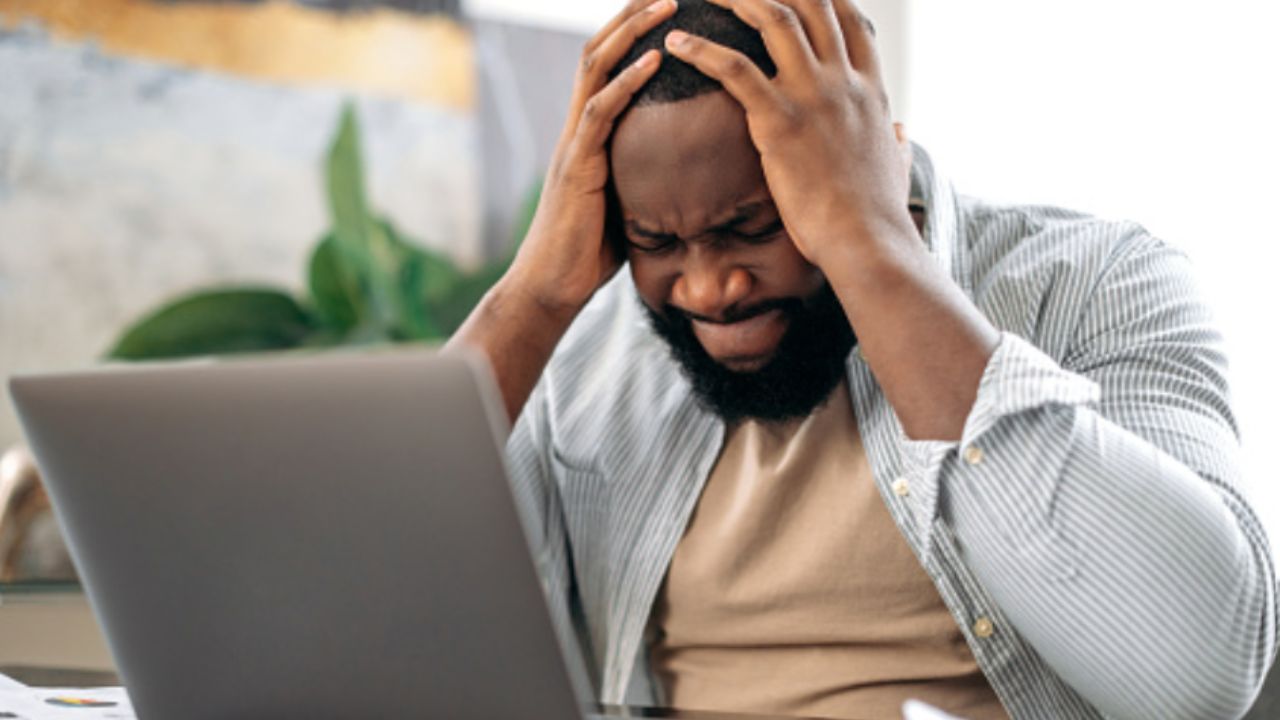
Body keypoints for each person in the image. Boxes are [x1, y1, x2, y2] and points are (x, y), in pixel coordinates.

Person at [446, 0, 1278, 718]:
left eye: (754, 226)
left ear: (869, 156)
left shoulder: (1095, 284)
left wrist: (871, 246)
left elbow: (1200, 677)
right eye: (657, 242)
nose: (710, 288)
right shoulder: (588, 355)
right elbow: (368, 623)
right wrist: (533, 302)